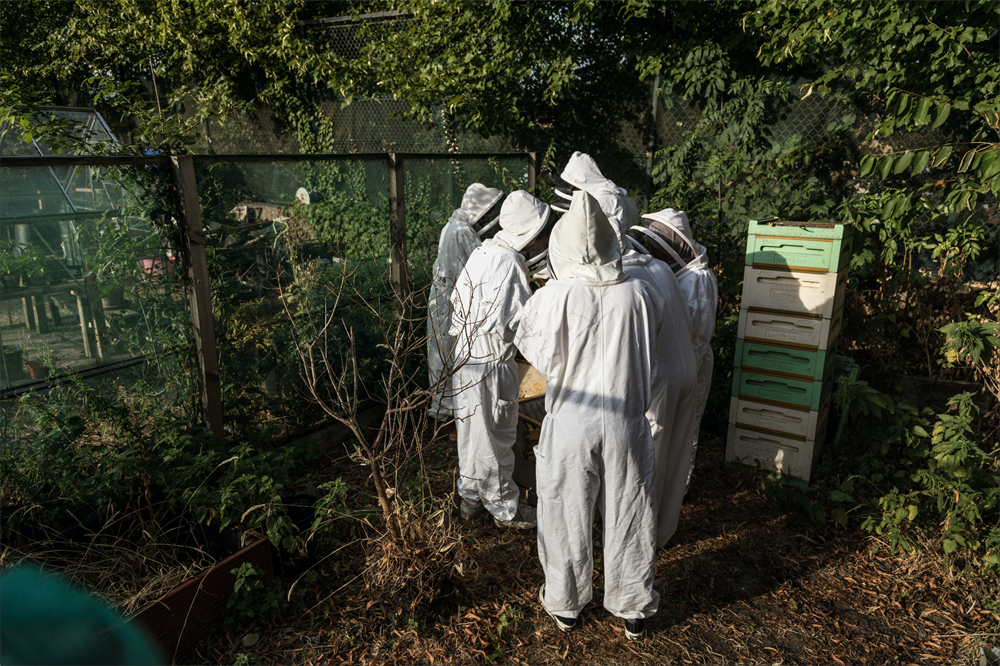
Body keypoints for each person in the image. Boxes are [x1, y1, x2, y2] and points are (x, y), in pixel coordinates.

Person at [514, 190, 664, 641]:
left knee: (564, 511)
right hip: (627, 419)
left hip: (571, 422)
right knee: (631, 509)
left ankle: (565, 603)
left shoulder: (554, 296)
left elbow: (532, 351)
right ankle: (633, 607)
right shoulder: (642, 292)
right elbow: (650, 350)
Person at [449, 190, 555, 529]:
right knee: (496, 437)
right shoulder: (508, 262)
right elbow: (523, 325)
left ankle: (469, 498)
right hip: (490, 362)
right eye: (541, 235)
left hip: (466, 359)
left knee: (472, 434)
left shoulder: (484, 251)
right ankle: (505, 509)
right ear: (529, 235)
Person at [632, 210, 718, 491]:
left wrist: (676, 373)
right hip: (674, 366)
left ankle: (676, 491)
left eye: (659, 244)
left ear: (676, 244)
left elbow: (697, 336)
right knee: (660, 431)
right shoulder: (682, 275)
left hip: (689, 365)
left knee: (682, 431)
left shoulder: (698, 279)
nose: (654, 250)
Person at [620, 236, 698, 550]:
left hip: (659, 376)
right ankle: (663, 531)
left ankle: (640, 540)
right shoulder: (660, 267)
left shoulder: (627, 278)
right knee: (676, 453)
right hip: (686, 368)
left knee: (650, 455)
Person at [427, 184, 504, 422]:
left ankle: (443, 407)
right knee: (447, 352)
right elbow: (477, 267)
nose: (489, 216)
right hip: (451, 300)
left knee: (441, 351)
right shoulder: (462, 231)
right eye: (488, 211)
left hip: (443, 298)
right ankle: (445, 411)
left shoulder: (451, 226)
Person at [559, 151, 640, 251]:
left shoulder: (601, 201)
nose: (574, 193)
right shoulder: (622, 195)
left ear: (582, 183)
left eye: (574, 189)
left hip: (618, 258)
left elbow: (588, 240)